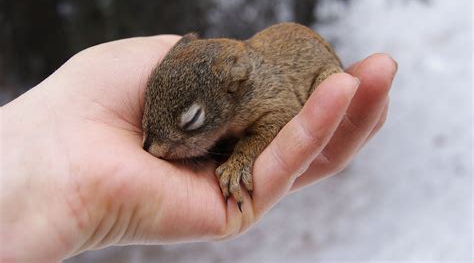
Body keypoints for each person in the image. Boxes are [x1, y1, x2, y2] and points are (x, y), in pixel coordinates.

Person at [1, 35, 397, 261]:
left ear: (233, 91)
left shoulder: (255, 92)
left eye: (190, 122)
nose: (154, 149)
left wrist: (242, 157)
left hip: (313, 71)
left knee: (333, 92)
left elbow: (280, 119)